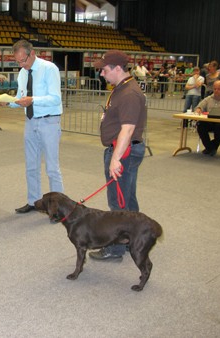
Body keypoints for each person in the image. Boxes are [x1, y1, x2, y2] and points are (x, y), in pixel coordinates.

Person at [89, 50, 147, 260]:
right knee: (128, 198)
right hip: (123, 150)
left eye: (104, 70)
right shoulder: (121, 88)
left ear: (117, 69)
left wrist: (115, 159)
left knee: (117, 203)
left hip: (123, 151)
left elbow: (128, 129)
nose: (102, 74)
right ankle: (136, 238)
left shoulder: (129, 93)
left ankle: (116, 249)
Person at [0, 39, 63, 213]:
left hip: (49, 121)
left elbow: (55, 98)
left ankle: (58, 207)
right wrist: (9, 103)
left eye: (23, 60)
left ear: (32, 53)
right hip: (30, 121)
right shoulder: (22, 73)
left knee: (52, 167)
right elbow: (22, 99)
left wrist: (33, 99)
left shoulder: (49, 69)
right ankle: (34, 201)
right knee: (31, 165)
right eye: (18, 62)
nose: (21, 65)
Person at [195, 80, 220, 156]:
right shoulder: (208, 99)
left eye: (218, 89)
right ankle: (211, 147)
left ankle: (210, 147)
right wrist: (199, 109)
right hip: (210, 122)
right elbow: (199, 106)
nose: (216, 91)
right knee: (200, 125)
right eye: (215, 89)